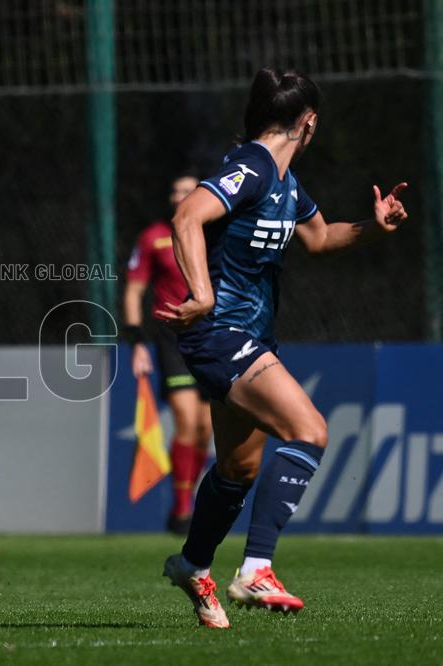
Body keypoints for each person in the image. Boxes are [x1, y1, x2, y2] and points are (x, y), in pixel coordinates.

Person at [158, 69, 408, 628]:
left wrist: (373, 225)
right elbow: (187, 216)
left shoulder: (286, 183)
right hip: (221, 331)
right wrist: (201, 291)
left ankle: (192, 563)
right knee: (310, 430)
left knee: (238, 469)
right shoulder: (249, 167)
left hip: (243, 335)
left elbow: (319, 239)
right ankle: (255, 568)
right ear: (308, 123)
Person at [124, 173, 213, 535]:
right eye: (176, 190)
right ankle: (181, 510)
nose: (182, 196)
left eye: (189, 191)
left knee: (206, 427)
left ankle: (192, 498)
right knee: (186, 420)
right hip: (171, 337)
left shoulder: (212, 233)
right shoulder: (153, 237)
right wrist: (137, 343)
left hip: (210, 335)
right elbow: (133, 292)